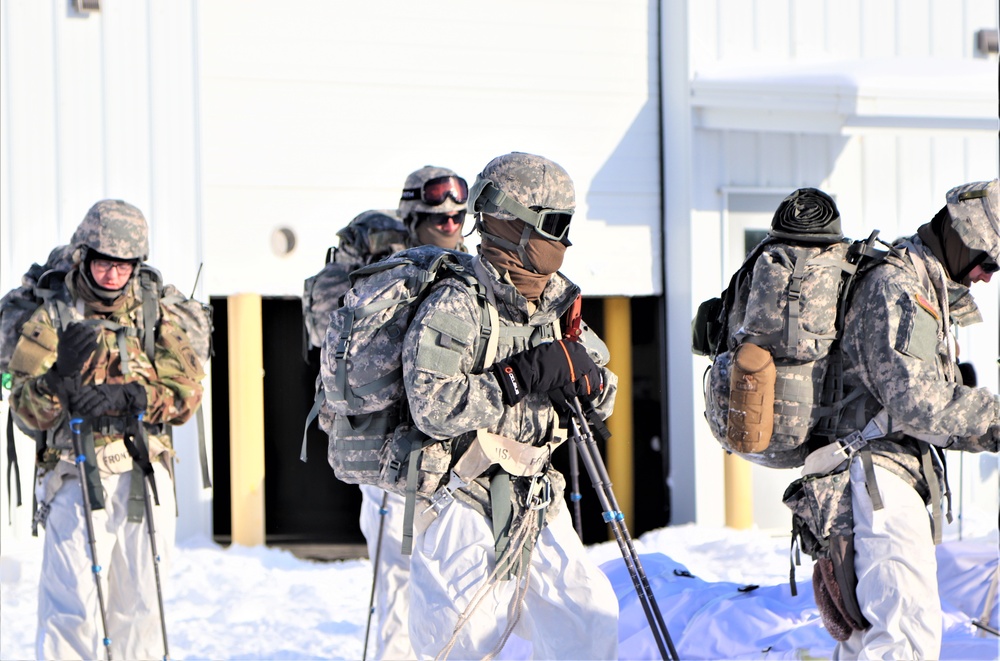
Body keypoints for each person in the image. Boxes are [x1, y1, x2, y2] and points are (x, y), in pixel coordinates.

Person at [400, 152, 620, 659]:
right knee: (462, 644)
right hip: (462, 495)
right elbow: (431, 405)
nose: (563, 242)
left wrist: (589, 384)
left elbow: (602, 395)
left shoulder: (558, 304)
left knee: (588, 626)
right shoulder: (458, 302)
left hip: (538, 494)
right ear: (513, 225)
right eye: (554, 225)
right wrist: (517, 377)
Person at [7, 199, 206, 660]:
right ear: (83, 257)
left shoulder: (156, 315)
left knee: (140, 605)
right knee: (71, 605)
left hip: (142, 471)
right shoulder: (52, 317)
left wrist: (139, 398)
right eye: (103, 262)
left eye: (124, 265)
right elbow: (22, 406)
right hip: (73, 475)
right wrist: (58, 382)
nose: (114, 275)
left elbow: (187, 392)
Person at [829, 178, 1000, 658]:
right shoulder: (900, 288)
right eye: (986, 260)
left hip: (878, 474)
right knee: (906, 635)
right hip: (875, 475)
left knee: (874, 638)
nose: (988, 276)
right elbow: (918, 402)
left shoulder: (924, 288)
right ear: (959, 234)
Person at [304, 165, 470, 660]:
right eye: (437, 216)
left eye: (458, 215)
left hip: (454, 452)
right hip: (389, 452)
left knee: (456, 578)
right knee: (396, 580)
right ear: (412, 215)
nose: (449, 224)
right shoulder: (383, 276)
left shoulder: (472, 270)